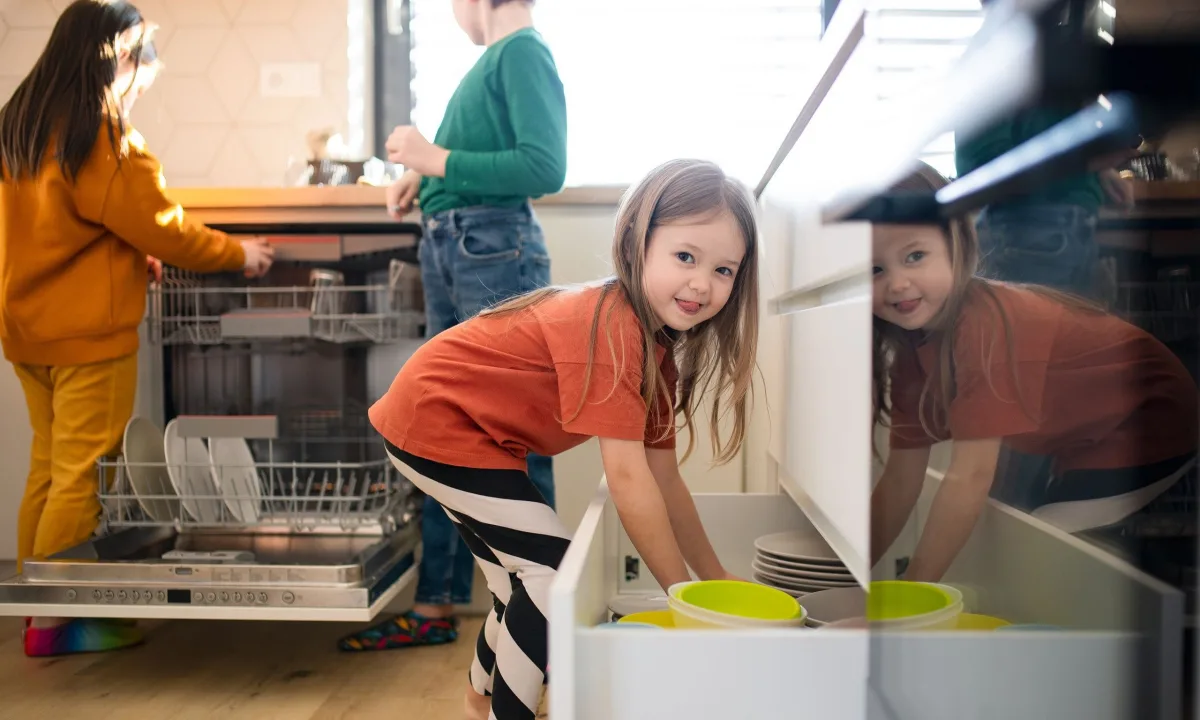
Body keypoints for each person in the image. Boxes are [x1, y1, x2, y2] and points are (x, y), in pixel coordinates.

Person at [368, 159, 757, 720]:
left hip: (462, 429)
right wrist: (682, 597)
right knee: (549, 575)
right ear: (637, 244)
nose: (702, 282)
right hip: (436, 418)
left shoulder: (655, 355)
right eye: (685, 257)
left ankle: (480, 700)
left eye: (725, 270)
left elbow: (665, 480)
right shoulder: (613, 328)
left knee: (518, 579)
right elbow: (627, 478)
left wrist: (713, 582)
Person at [0, 0, 275, 657]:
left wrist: (123, 254)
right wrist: (242, 255)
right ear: (116, 54)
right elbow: (163, 225)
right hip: (90, 334)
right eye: (138, 60)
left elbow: (69, 227)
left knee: (48, 468)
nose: (140, 73)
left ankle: (35, 614)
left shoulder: (23, 121)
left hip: (28, 326)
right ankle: (59, 623)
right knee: (83, 476)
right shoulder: (98, 132)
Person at [340, 0, 567, 652]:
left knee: (509, 430)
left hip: (488, 246)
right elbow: (486, 161)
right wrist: (425, 180)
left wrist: (435, 160)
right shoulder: (496, 62)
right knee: (450, 429)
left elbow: (544, 166)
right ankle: (440, 602)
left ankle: (536, 612)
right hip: (461, 242)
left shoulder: (522, 52)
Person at [869, 164, 1197, 584]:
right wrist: (839, 577)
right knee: (1031, 546)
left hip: (1148, 418)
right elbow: (900, 480)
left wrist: (913, 591)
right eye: (875, 270)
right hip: (1080, 434)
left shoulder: (984, 327)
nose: (897, 284)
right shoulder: (912, 348)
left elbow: (970, 474)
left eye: (915, 256)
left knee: (1045, 558)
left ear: (957, 247)